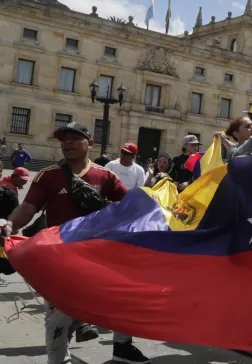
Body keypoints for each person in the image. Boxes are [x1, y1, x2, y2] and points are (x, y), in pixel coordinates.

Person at [2, 122, 150, 364]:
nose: (66, 143)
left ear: (89, 143)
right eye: (63, 139)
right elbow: (28, 207)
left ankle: (122, 348)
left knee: (124, 297)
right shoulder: (48, 176)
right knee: (57, 316)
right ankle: (59, 359)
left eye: (73, 138)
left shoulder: (105, 176)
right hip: (58, 258)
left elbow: (132, 206)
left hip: (95, 258)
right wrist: (10, 225)